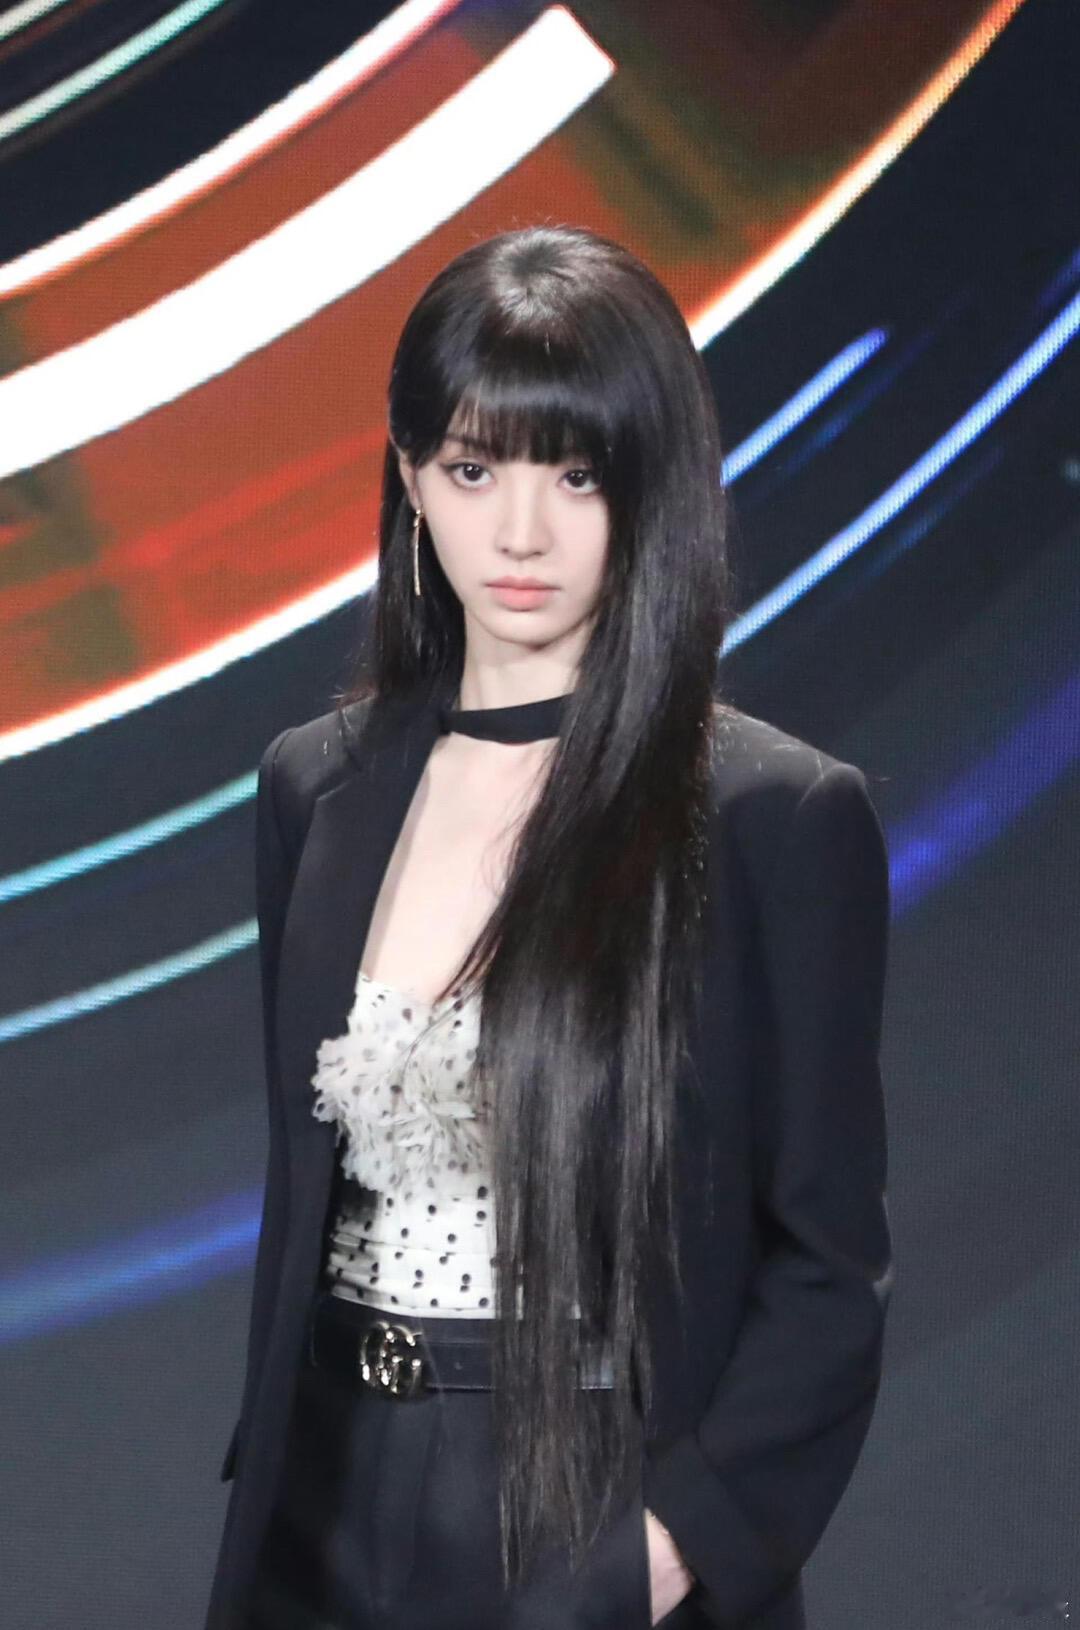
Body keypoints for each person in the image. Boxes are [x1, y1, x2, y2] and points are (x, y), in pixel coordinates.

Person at [205, 223, 893, 1630]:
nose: (521, 534)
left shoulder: (769, 815)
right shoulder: (313, 788)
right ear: (411, 478)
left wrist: (667, 1547)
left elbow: (828, 1264)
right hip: (319, 1501)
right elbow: (303, 1197)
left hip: (580, 1510)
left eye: (577, 474)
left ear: (652, 487)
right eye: (474, 470)